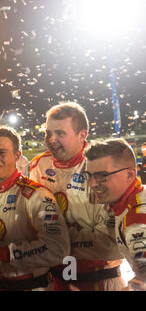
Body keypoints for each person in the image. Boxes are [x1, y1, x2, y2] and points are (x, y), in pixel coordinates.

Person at [29, 102, 124, 291]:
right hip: (56, 279)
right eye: (48, 133)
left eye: (60, 133)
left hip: (100, 280)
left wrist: (57, 240)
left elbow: (113, 243)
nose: (51, 139)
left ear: (82, 135)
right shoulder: (39, 165)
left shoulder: (104, 168)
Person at [0, 126, 70, 291]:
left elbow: (58, 248)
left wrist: (8, 254)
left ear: (17, 155)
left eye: (2, 152)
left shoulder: (36, 194)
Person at [84, 139, 146, 290]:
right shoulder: (134, 199)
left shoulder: (136, 217)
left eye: (101, 175)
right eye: (88, 175)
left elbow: (144, 278)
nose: (92, 183)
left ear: (130, 175)